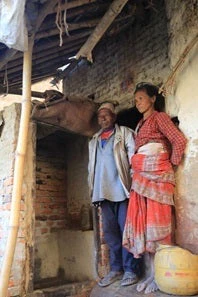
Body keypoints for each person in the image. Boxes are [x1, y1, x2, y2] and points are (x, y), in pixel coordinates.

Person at [123, 82, 187, 294]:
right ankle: (152, 274)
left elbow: (178, 140)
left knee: (159, 227)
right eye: (135, 100)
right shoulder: (140, 125)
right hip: (141, 179)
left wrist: (167, 166)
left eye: (141, 98)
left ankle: (160, 276)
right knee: (146, 227)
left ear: (152, 98)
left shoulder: (160, 117)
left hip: (158, 177)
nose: (137, 103)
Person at [88, 102, 141, 287]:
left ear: (114, 117)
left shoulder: (125, 133)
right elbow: (91, 168)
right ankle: (116, 269)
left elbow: (134, 157)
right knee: (110, 235)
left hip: (122, 191)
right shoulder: (94, 140)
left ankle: (130, 270)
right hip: (102, 193)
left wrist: (134, 184)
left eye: (106, 115)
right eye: (100, 116)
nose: (103, 118)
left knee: (127, 232)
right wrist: (92, 191)